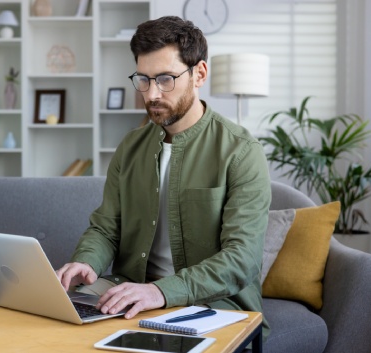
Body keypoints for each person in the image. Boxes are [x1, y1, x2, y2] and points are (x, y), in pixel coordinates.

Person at [56, 15, 271, 337]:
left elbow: (242, 259)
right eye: (143, 79)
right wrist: (87, 262)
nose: (152, 93)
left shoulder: (241, 151)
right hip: (129, 294)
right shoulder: (130, 147)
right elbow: (106, 227)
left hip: (214, 304)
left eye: (166, 79)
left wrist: (160, 292)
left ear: (199, 74)